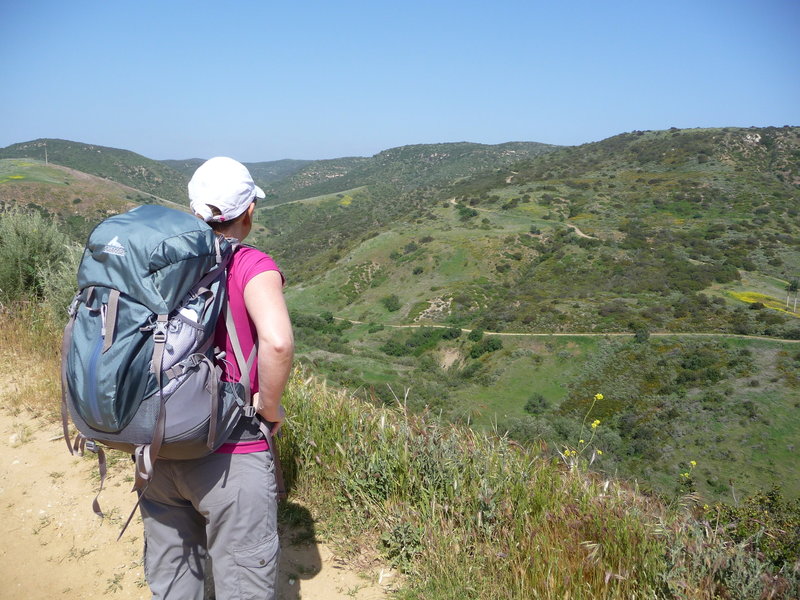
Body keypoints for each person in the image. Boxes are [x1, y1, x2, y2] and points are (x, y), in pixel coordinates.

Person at [139, 157, 294, 599]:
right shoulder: (251, 264)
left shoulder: (161, 260)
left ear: (193, 209)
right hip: (229, 452)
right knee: (243, 582)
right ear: (249, 212)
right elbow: (278, 343)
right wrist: (269, 406)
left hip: (157, 444)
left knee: (172, 578)